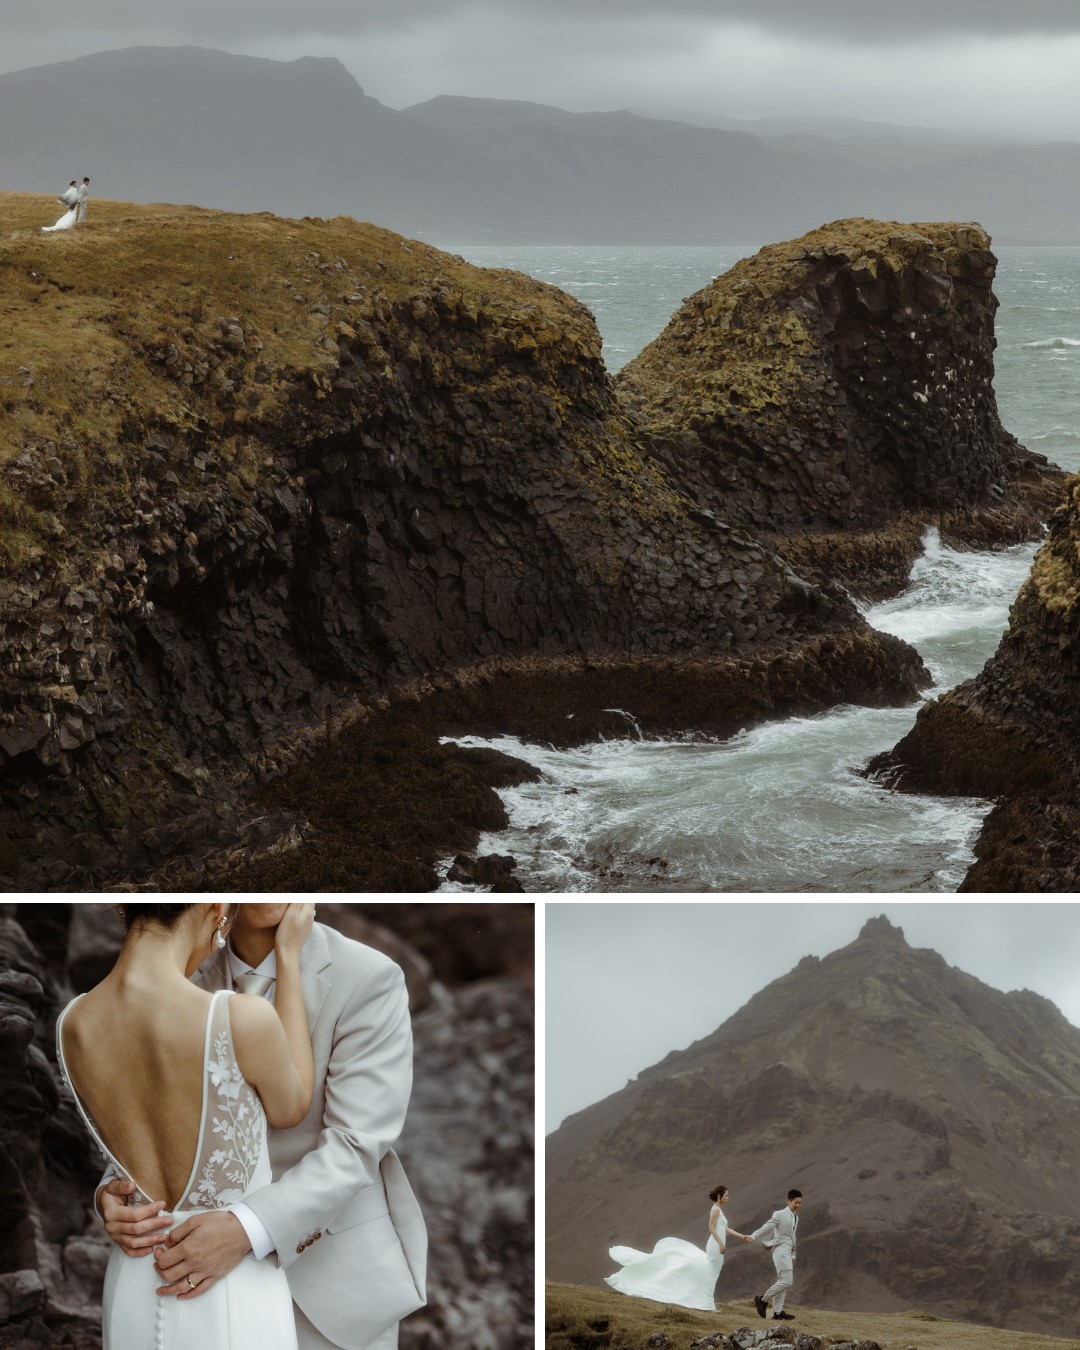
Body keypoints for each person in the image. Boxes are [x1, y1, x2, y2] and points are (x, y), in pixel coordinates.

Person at [96, 903, 426, 1350]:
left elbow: (355, 1145)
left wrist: (245, 1228)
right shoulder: (180, 978)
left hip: (335, 1291)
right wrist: (112, 1193)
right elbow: (143, 1114)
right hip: (200, 1289)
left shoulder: (367, 976)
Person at [56, 901, 317, 1350]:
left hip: (132, 1282)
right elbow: (291, 1107)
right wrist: (288, 957)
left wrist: (105, 1198)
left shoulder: (72, 1024)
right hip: (230, 1285)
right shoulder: (241, 1018)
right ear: (215, 909)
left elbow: (125, 1152)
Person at [605, 1182, 751, 1311]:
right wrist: (720, 1244)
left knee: (712, 1272)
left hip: (718, 1243)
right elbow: (711, 1228)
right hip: (715, 1245)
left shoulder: (719, 1210)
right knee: (712, 1272)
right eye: (726, 1195)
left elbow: (726, 1228)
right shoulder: (716, 1210)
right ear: (719, 1196)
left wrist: (741, 1236)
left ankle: (705, 1301)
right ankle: (707, 1303)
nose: (728, 1197)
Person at [748, 1188, 802, 1321]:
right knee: (787, 1281)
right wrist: (753, 1235)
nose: (798, 1205)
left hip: (788, 1253)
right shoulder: (779, 1214)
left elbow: (793, 1237)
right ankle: (762, 1299)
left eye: (800, 1203)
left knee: (782, 1282)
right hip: (779, 1251)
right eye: (796, 1202)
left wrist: (793, 1255)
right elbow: (766, 1226)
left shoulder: (796, 1217)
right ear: (788, 1201)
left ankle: (778, 1312)